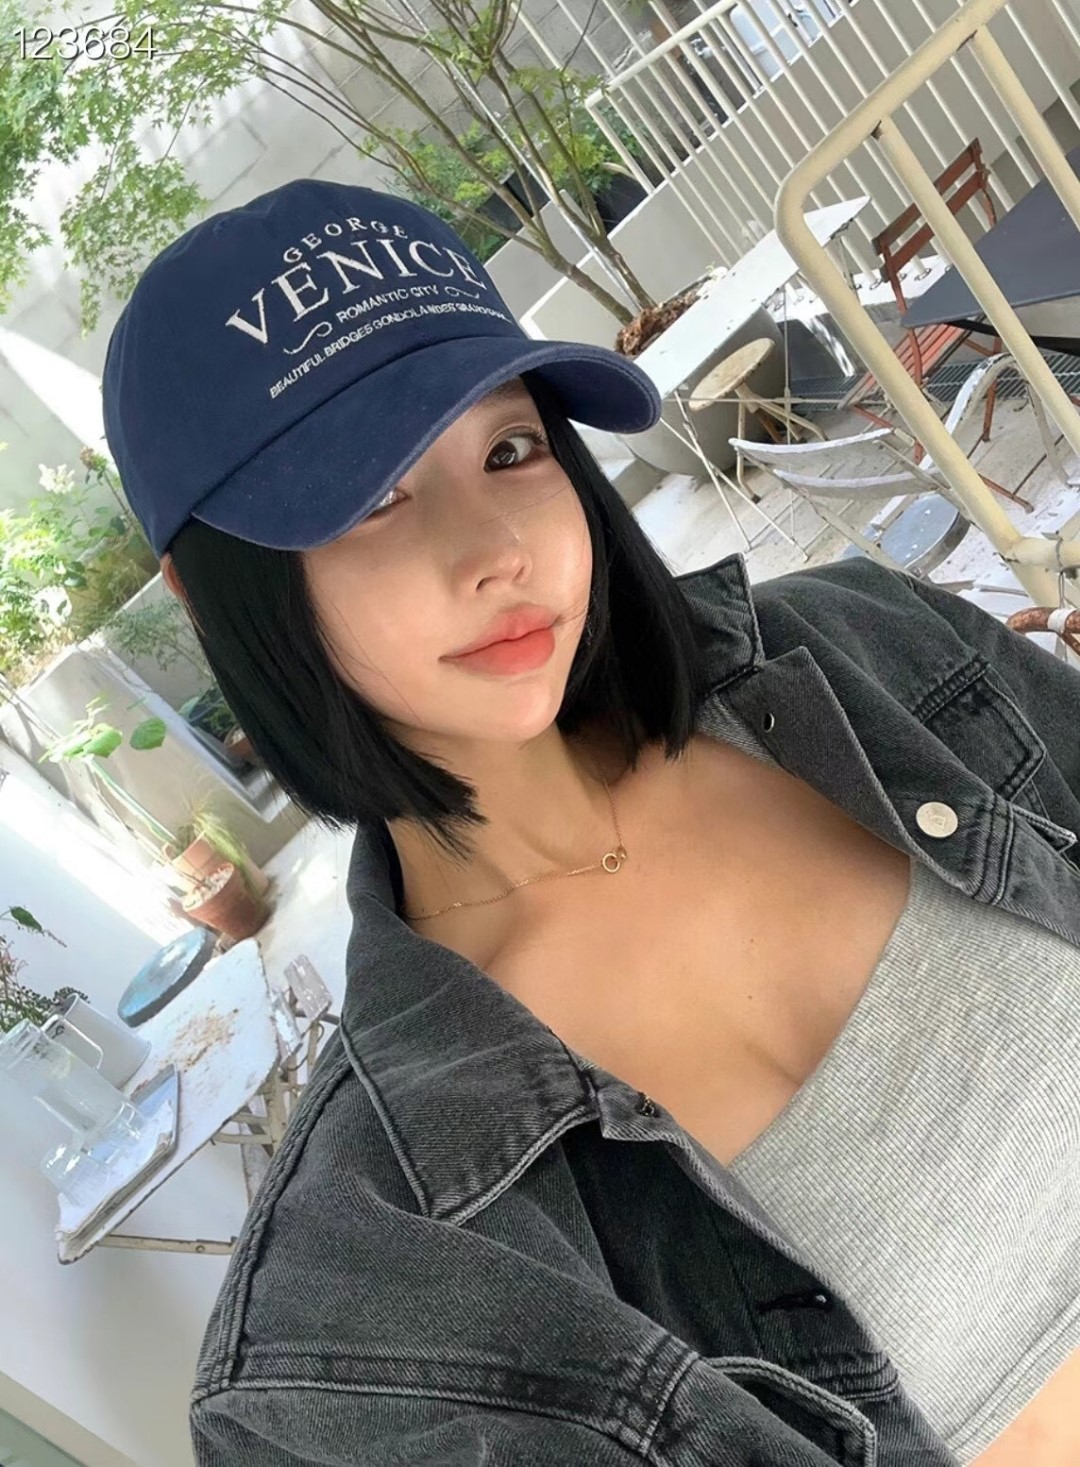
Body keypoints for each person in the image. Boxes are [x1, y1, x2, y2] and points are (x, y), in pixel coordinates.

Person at [100, 177, 1080, 1467]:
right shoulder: (364, 1318)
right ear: (204, 587)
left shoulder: (874, 654)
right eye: (370, 497)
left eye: (510, 451)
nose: (496, 551)